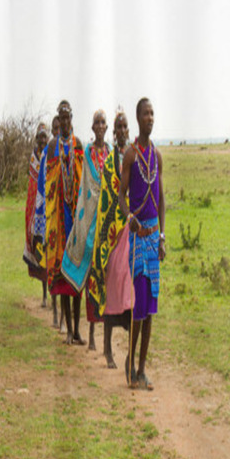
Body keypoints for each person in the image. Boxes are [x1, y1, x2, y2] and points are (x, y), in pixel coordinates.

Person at [119, 98, 166, 389]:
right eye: (145, 113)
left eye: (152, 113)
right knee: (138, 304)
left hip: (153, 236)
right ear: (137, 118)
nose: (150, 117)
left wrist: (162, 237)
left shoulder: (157, 157)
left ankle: (142, 369)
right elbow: (121, 196)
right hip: (137, 237)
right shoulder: (130, 155)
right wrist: (130, 219)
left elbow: (161, 200)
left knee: (150, 308)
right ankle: (130, 364)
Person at [62, 109, 111, 352]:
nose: (100, 126)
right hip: (87, 220)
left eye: (103, 122)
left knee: (100, 280)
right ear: (92, 128)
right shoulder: (88, 154)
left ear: (107, 127)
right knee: (85, 275)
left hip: (105, 222)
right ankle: (82, 331)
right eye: (97, 123)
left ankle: (95, 334)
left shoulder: (111, 154)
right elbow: (85, 189)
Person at [91, 108, 133, 368]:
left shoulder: (134, 157)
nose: (119, 131)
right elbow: (105, 203)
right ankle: (107, 349)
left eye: (123, 126)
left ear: (128, 131)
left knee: (131, 290)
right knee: (111, 287)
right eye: (116, 127)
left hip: (132, 232)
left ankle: (131, 349)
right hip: (113, 237)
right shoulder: (109, 164)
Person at [44, 100, 85, 345]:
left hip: (76, 217)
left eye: (68, 117)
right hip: (59, 219)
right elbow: (48, 182)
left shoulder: (79, 144)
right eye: (61, 117)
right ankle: (68, 330)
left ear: (72, 118)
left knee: (76, 276)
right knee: (62, 279)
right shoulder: (51, 147)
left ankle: (77, 330)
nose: (65, 121)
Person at [36, 115, 61, 328]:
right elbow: (41, 189)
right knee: (50, 262)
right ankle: (53, 307)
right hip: (49, 216)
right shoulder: (46, 154)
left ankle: (62, 314)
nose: (56, 132)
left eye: (59, 128)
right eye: (54, 128)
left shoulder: (71, 150)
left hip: (65, 216)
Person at [24, 123, 49, 306]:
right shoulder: (34, 159)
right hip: (36, 211)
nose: (42, 140)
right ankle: (44, 295)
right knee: (39, 251)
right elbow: (33, 188)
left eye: (44, 137)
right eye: (39, 137)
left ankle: (51, 296)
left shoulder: (50, 155)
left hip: (49, 210)